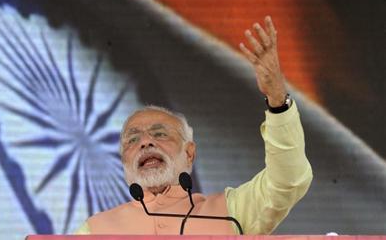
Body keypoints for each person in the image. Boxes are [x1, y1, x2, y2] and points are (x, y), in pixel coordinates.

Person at [75, 16, 313, 235]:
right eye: (133, 139)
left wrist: (278, 101)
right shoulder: (95, 230)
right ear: (124, 161)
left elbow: (288, 180)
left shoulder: (231, 213)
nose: (146, 142)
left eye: (160, 134)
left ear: (189, 153)